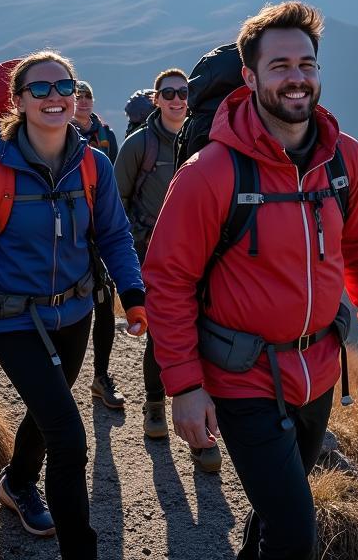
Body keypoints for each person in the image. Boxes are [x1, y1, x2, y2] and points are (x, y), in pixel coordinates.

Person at [145, 2, 358, 560]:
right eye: (280, 65)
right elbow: (168, 281)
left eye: (307, 64)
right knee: (295, 533)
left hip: (317, 371)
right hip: (243, 378)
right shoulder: (212, 173)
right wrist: (186, 386)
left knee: (274, 518)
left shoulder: (346, 160)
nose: (297, 78)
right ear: (250, 77)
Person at [0, 50, 146, 560]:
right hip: (13, 321)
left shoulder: (94, 166)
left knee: (46, 408)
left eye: (64, 87)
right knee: (70, 437)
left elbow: (115, 236)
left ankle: (18, 482)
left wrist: (133, 294)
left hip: (76, 314)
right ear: (19, 101)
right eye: (41, 89)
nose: (54, 97)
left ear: (75, 97)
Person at [110, 67, 216, 462]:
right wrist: (120, 260)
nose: (176, 99)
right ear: (156, 99)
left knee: (206, 333)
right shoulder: (140, 145)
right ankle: (155, 405)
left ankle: (203, 428)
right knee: (163, 333)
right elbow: (115, 204)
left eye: (182, 93)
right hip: (148, 254)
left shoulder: (203, 142)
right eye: (167, 93)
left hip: (200, 254)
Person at [72, 79, 125, 409]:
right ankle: (59, 380)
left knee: (105, 303)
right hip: (70, 232)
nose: (84, 102)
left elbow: (115, 182)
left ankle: (101, 377)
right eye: (79, 97)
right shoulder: (57, 136)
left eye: (88, 96)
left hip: (100, 231)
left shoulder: (106, 136)